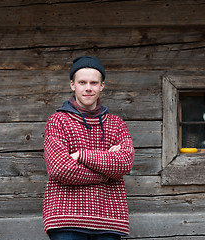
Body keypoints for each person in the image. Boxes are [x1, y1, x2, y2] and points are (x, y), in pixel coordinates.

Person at [43, 56, 135, 240]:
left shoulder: (116, 124)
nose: (88, 88)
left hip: (109, 218)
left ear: (102, 86)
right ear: (72, 85)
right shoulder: (57, 121)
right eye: (82, 82)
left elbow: (124, 163)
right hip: (65, 218)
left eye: (94, 83)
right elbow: (60, 169)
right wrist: (106, 173)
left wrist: (80, 155)